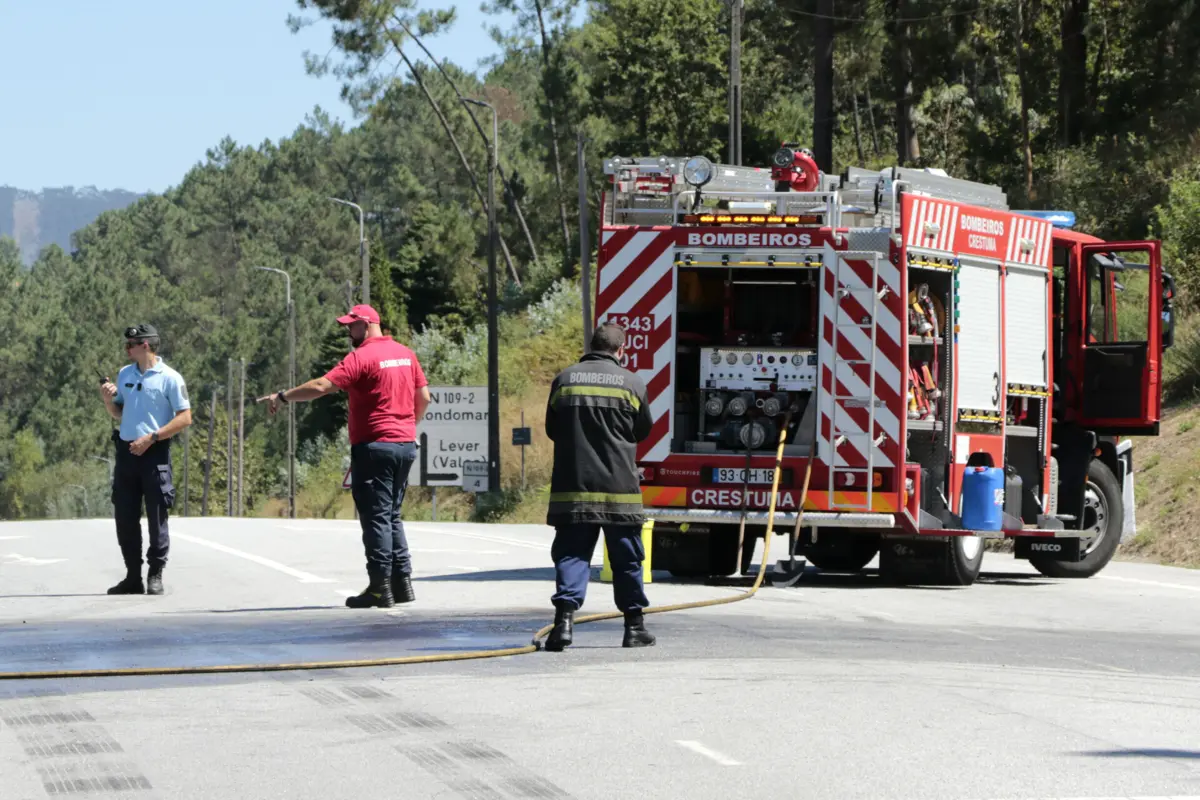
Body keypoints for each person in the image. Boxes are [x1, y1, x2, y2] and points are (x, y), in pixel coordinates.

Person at [267, 304, 429, 609]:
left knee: (376, 516)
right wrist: (407, 426)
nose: (347, 332)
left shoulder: (362, 357)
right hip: (405, 444)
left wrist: (283, 396)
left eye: (351, 327)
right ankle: (402, 583)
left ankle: (380, 587)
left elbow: (321, 386)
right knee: (392, 513)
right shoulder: (406, 354)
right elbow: (424, 397)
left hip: (374, 446)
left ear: (366, 325)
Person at [543, 322, 656, 651]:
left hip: (573, 490)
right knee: (627, 559)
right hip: (619, 490)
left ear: (591, 345)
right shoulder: (632, 384)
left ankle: (563, 624)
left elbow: (553, 429)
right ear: (621, 350)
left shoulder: (564, 380)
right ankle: (634, 627)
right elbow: (641, 431)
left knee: (571, 555)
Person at [99, 323, 193, 595]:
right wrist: (107, 401)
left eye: (131, 344)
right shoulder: (125, 374)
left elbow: (185, 417)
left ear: (146, 345)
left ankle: (155, 574)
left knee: (156, 516)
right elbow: (119, 413)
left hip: (154, 453)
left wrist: (152, 437)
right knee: (125, 516)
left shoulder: (170, 378)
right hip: (127, 453)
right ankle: (132, 576)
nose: (127, 349)